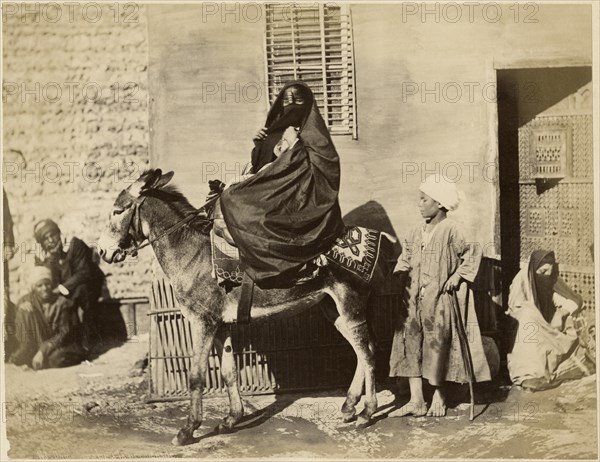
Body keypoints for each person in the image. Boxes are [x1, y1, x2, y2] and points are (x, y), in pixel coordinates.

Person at [218, 82, 345, 286]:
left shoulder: (313, 134)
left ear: (309, 104)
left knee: (249, 212)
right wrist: (260, 145)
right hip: (274, 192)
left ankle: (282, 270)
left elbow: (325, 169)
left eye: (298, 100)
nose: (291, 104)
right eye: (286, 100)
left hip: (301, 199)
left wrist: (294, 145)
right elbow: (264, 170)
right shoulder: (274, 131)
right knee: (228, 199)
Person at [389, 175, 491, 417]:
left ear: (440, 204)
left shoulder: (452, 230)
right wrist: (399, 272)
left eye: (424, 199)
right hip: (413, 299)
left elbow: (472, 253)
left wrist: (458, 276)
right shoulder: (416, 231)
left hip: (442, 300)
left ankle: (439, 396)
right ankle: (416, 400)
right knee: (410, 343)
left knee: (439, 346)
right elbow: (405, 258)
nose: (419, 204)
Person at [506, 250, 595, 391]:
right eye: (542, 271)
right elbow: (515, 311)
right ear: (533, 270)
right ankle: (529, 374)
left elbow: (573, 300)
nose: (546, 276)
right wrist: (537, 319)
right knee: (528, 315)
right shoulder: (522, 283)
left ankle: (549, 367)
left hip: (550, 331)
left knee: (569, 320)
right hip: (524, 334)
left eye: (549, 271)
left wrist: (560, 313)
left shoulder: (551, 282)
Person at [33, 219, 105, 349]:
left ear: (59, 233)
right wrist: (49, 260)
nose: (51, 240)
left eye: (53, 235)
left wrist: (61, 289)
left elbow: (83, 273)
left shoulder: (75, 244)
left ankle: (86, 341)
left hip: (86, 287)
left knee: (81, 292)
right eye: (45, 239)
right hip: (65, 290)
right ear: (42, 244)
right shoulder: (43, 257)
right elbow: (47, 280)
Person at [9, 265, 86, 369]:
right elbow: (15, 319)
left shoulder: (60, 303)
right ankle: (27, 351)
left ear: (51, 284)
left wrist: (42, 351)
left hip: (58, 343)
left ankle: (38, 358)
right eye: (39, 286)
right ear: (33, 288)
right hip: (36, 343)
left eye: (47, 284)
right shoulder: (27, 300)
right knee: (24, 311)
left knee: (56, 360)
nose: (44, 288)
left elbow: (63, 333)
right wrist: (20, 308)